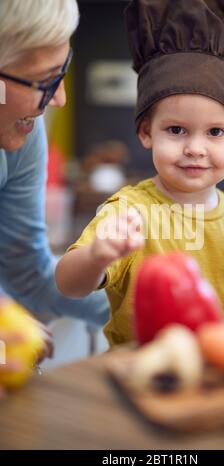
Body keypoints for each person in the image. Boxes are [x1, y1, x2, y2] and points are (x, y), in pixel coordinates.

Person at [55, 0, 224, 347]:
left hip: (221, 376)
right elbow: (69, 285)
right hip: (140, 374)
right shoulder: (128, 213)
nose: (195, 148)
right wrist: (96, 255)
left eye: (216, 132)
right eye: (176, 130)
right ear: (146, 132)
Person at [0, 0, 110, 376]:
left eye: (62, 70)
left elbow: (28, 275)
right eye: (45, 81)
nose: (59, 98)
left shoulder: (21, 139)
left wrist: (135, 305)